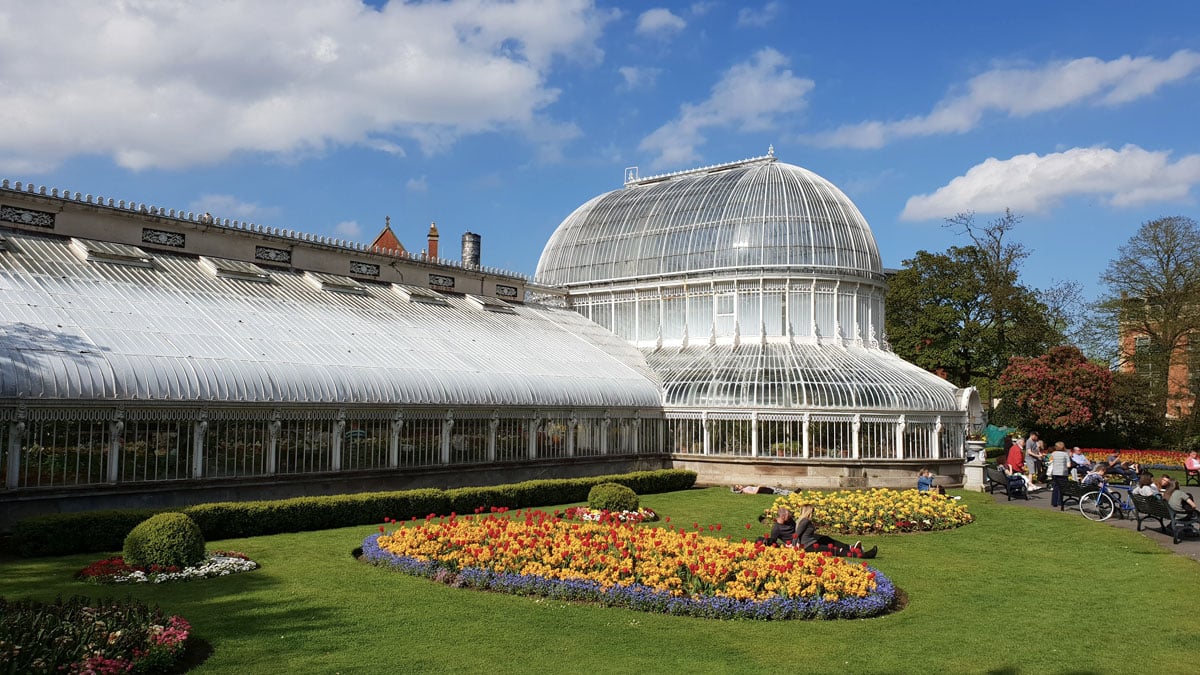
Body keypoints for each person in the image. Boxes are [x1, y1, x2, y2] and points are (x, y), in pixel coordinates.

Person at [792, 503, 876, 559]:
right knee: (834, 550)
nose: (813, 513)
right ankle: (861, 555)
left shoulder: (803, 521)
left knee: (832, 546)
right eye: (812, 511)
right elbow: (796, 535)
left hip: (812, 544)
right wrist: (794, 547)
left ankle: (855, 550)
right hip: (809, 547)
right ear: (809, 512)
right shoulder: (805, 521)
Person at [1047, 441, 1071, 507]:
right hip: (1063, 473)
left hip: (1055, 473)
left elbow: (1050, 462)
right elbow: (1069, 465)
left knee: (1056, 487)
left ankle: (1054, 502)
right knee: (1062, 488)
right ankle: (1060, 501)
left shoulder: (1053, 454)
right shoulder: (1065, 454)